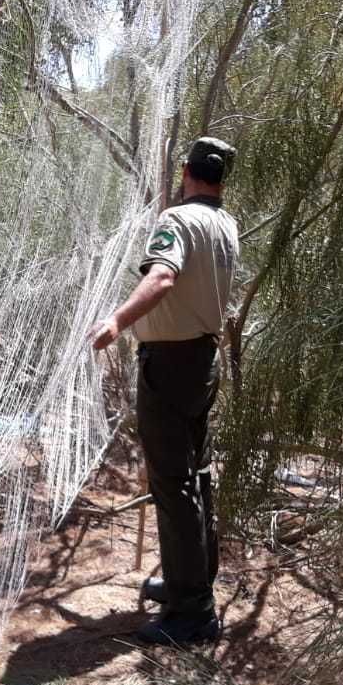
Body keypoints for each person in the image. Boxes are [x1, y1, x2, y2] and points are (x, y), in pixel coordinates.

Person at [87, 137, 240, 646]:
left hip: (171, 367)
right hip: (202, 362)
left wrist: (116, 320)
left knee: (174, 485)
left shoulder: (177, 220)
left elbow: (163, 278)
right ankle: (188, 584)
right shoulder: (226, 224)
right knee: (196, 477)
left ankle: (192, 613)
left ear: (186, 172)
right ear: (221, 179)